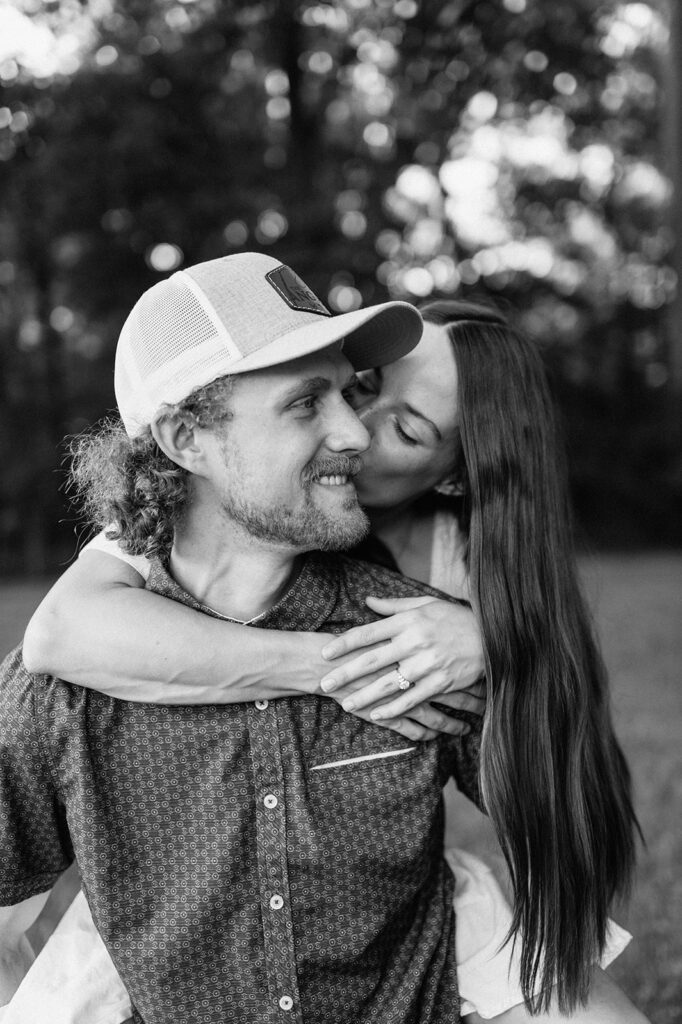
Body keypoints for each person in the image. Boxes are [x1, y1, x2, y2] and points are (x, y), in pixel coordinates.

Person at [16, 273, 645, 1021]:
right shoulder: (121, 601)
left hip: (399, 936)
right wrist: (326, 666)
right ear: (187, 442)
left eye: (402, 427)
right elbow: (55, 637)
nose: (357, 431)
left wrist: (502, 647)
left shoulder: (440, 604)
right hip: (159, 942)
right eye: (329, 396)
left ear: (452, 480)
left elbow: (571, 812)